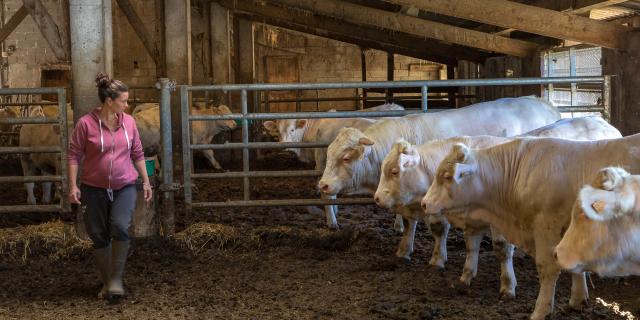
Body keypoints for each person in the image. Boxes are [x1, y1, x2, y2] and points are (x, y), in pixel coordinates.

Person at [67, 72, 152, 300]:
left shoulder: (130, 123)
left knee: (120, 224)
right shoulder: (85, 124)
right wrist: (73, 185)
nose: (127, 104)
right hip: (92, 187)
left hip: (124, 184)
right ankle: (108, 282)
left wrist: (145, 180)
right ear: (109, 101)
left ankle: (115, 279)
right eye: (124, 100)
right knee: (97, 233)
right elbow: (74, 155)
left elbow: (138, 153)